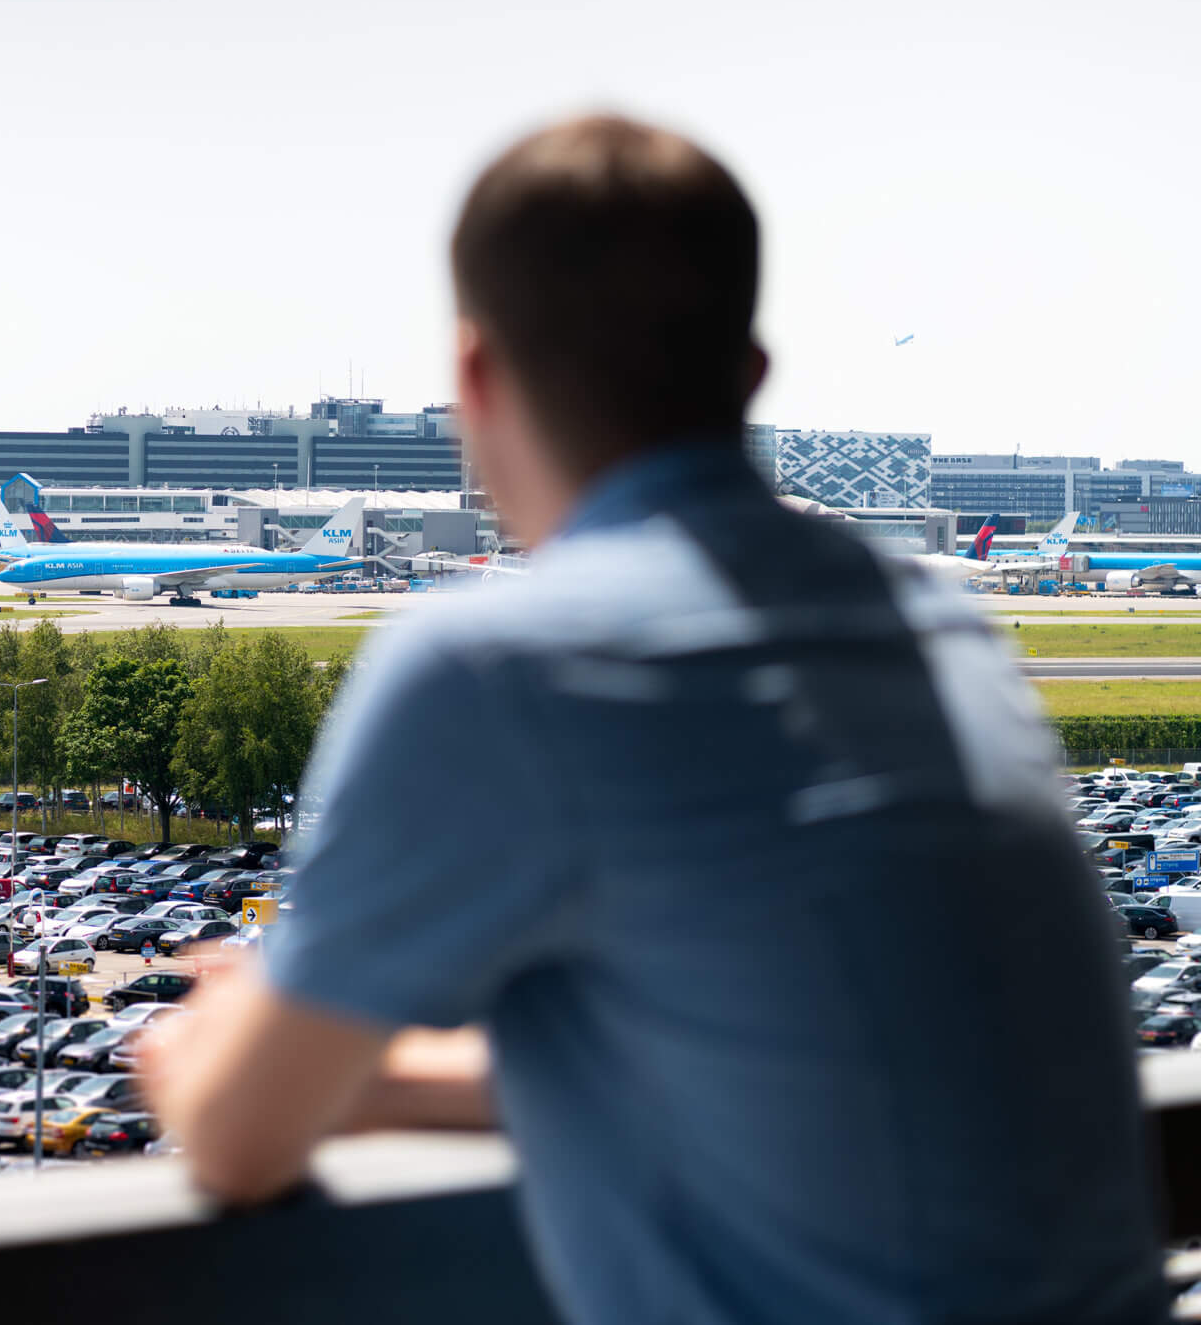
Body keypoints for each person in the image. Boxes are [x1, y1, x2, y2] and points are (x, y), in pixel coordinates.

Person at [139, 115, 1164, 1325]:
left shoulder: (498, 667)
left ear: (474, 377)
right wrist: (392, 1082)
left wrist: (203, 1051)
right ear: (749, 374)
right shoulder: (934, 632)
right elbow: (773, 1065)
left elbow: (239, 1143)